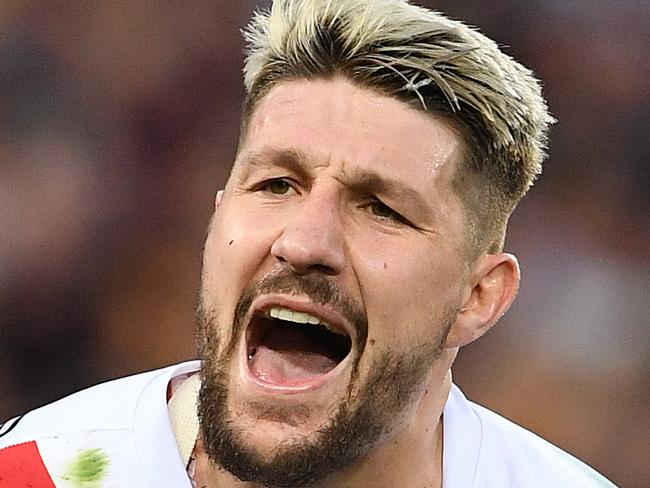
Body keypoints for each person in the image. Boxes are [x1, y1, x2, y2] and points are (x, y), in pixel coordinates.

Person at [0, 1, 616, 487]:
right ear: (217, 221)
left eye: (383, 209)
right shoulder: (37, 474)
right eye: (275, 184)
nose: (303, 241)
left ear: (479, 296)